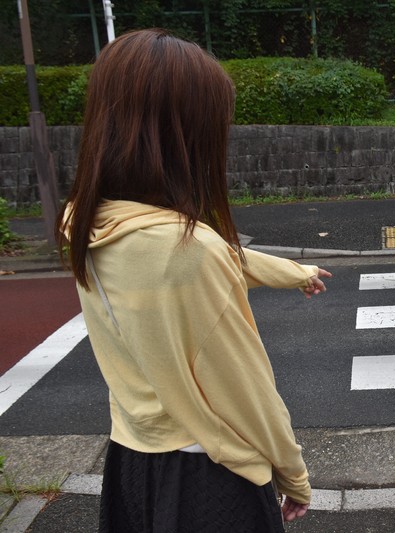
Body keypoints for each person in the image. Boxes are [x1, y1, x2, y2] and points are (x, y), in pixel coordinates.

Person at [55, 28, 331, 532]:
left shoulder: (87, 222)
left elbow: (222, 256)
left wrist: (296, 272)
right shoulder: (187, 250)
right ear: (184, 133)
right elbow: (247, 392)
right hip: (208, 475)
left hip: (132, 457)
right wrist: (294, 474)